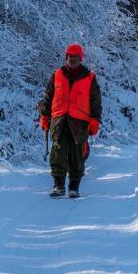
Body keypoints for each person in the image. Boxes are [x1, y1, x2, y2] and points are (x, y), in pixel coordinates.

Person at [37, 43, 102, 198]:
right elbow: (48, 97)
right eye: (70, 56)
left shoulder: (89, 77)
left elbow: (96, 101)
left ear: (81, 58)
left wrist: (95, 120)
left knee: (77, 155)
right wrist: (44, 117)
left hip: (80, 122)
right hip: (59, 120)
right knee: (57, 152)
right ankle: (58, 186)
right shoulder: (57, 74)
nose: (72, 59)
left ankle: (74, 187)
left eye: (76, 56)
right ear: (66, 57)